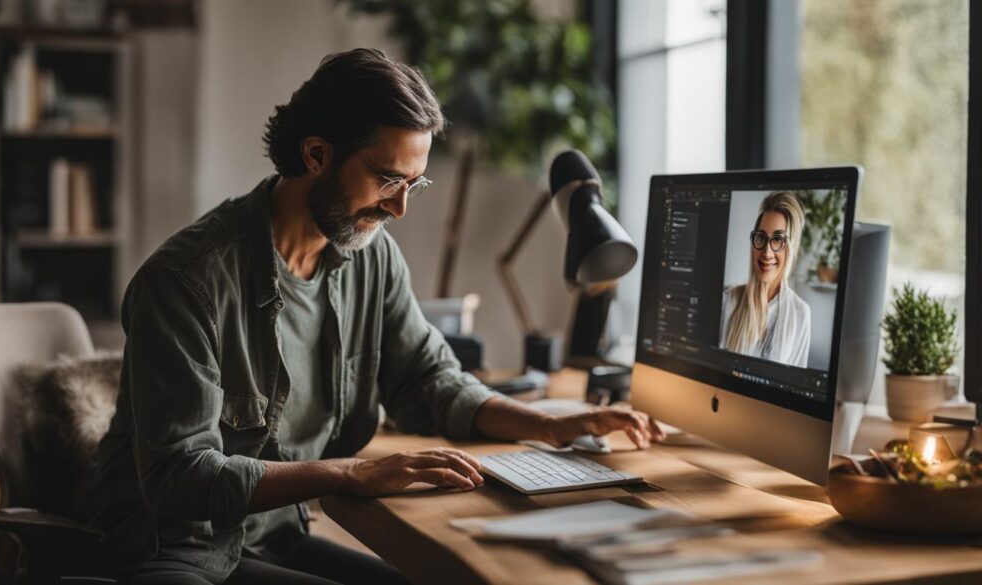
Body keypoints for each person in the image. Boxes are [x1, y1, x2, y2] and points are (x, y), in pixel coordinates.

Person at [74, 48, 663, 585]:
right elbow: (182, 478)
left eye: (415, 183)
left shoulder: (370, 255)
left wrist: (547, 426)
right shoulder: (186, 280)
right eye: (388, 180)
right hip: (170, 549)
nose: (401, 208)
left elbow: (427, 380)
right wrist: (349, 473)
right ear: (316, 154)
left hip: (272, 535)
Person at [719, 191, 811, 367]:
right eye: (761, 237)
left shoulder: (800, 313)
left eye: (777, 240)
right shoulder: (728, 300)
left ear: (791, 247)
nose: (767, 253)